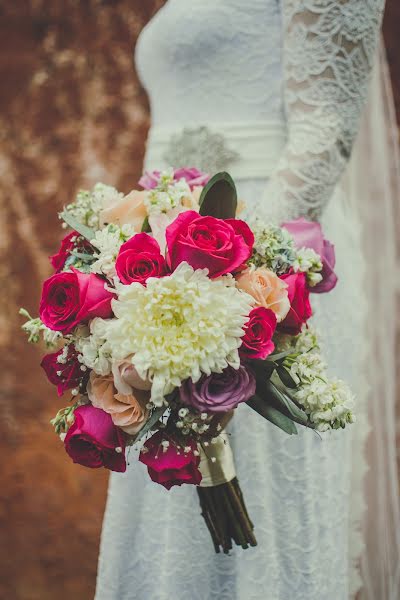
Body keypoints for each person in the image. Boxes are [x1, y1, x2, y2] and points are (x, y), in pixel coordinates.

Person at [95, 2, 400, 598]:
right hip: (163, 271)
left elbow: (325, 133)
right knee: (171, 513)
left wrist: (231, 287)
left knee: (258, 498)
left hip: (256, 267)